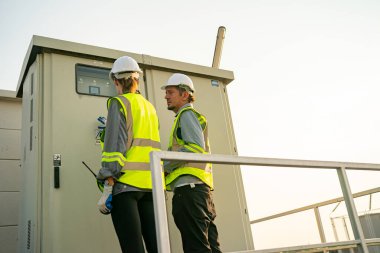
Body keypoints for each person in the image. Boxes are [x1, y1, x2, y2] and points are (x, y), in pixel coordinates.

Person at [96, 56, 161, 253]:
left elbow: (115, 149)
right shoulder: (150, 107)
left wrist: (107, 185)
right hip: (151, 187)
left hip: (125, 187)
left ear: (115, 81)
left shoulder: (119, 103)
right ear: (137, 80)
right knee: (156, 247)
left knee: (132, 248)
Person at [162, 73, 222, 253]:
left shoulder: (186, 114)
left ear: (185, 94)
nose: (166, 96)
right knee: (210, 246)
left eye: (170, 92)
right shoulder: (189, 116)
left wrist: (164, 167)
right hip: (201, 192)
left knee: (196, 247)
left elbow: (195, 149)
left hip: (190, 191)